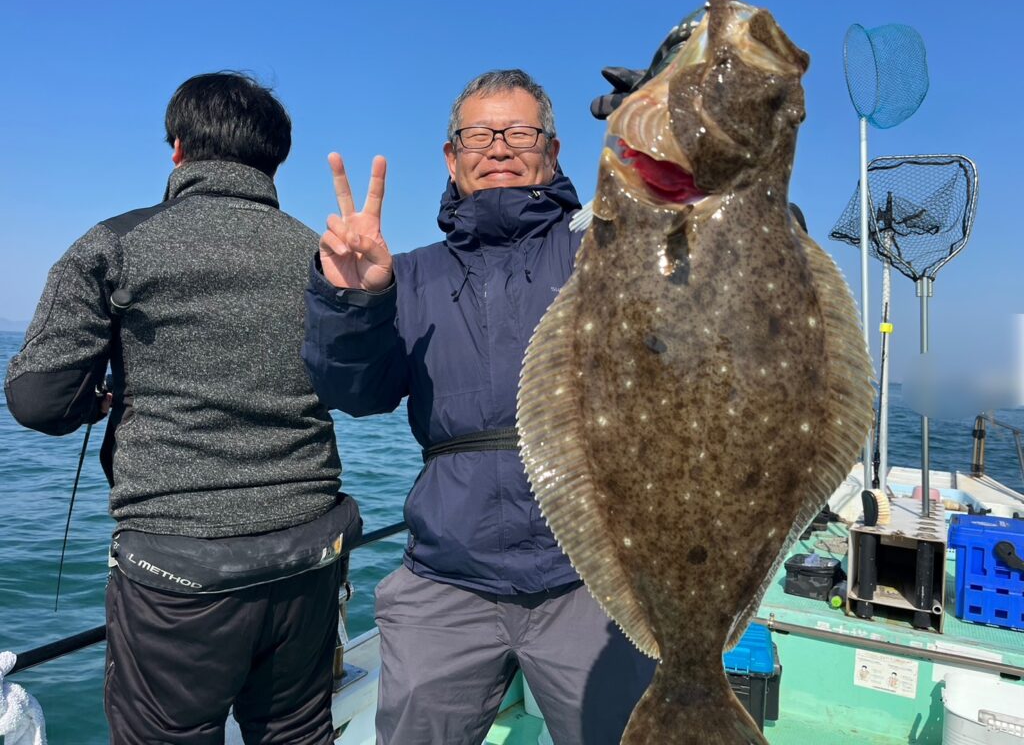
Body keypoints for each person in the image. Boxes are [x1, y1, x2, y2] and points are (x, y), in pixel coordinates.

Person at [4, 72, 361, 745]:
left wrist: (97, 401)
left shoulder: (114, 243)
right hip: (311, 550)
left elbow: (37, 399)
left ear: (178, 149)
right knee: (296, 731)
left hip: (178, 566)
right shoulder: (321, 254)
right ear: (274, 158)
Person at [303, 69, 654, 745]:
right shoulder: (408, 274)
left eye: (519, 132)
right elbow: (355, 393)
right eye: (478, 135)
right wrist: (353, 302)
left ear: (552, 150)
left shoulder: (608, 247)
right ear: (450, 156)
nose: (497, 148)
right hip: (447, 577)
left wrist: (675, 154)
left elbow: (702, 262)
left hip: (592, 576)